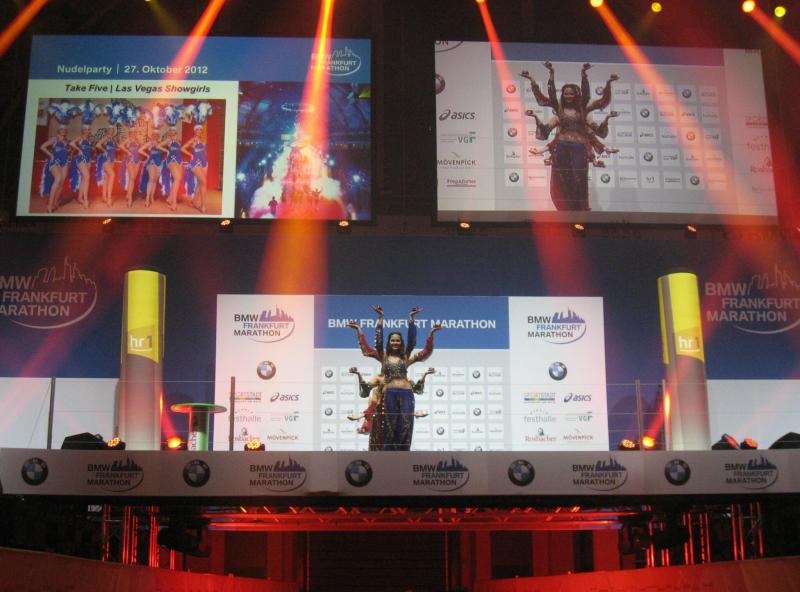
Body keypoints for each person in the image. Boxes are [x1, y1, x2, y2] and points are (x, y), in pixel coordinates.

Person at [521, 62, 618, 211]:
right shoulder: (559, 111)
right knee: (562, 180)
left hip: (579, 149)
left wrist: (584, 75)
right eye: (566, 94)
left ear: (576, 95)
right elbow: (550, 98)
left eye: (571, 93)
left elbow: (596, 126)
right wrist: (549, 75)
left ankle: (578, 209)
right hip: (562, 148)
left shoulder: (582, 111)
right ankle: (564, 210)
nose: (568, 96)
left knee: (578, 180)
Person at [348, 306, 442, 451]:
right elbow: (376, 344)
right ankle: (388, 457)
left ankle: (403, 456)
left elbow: (414, 344)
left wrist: (413, 321)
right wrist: (380, 319)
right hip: (390, 394)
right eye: (392, 340)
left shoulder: (405, 357)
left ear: (401, 342)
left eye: (398, 340)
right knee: (389, 428)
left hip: (407, 394)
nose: (395, 343)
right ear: (389, 342)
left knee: (405, 427)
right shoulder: (383, 356)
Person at [39, 125, 70, 213]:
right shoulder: (54, 139)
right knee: (58, 178)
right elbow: (42, 147)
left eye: (65, 129)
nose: (63, 130)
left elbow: (66, 152)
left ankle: (55, 202)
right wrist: (51, 155)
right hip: (55, 162)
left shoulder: (66, 141)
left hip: (64, 162)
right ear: (58, 130)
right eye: (61, 129)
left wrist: (68, 154)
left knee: (61, 183)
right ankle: (50, 204)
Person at [182, 124, 208, 213]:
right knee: (203, 182)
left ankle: (194, 201)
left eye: (200, 130)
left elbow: (204, 151)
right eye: (197, 130)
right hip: (195, 163)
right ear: (194, 131)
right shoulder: (192, 140)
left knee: (200, 183)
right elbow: (182, 148)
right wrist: (191, 154)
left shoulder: (203, 140)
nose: (199, 131)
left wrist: (205, 160)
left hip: (204, 163)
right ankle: (203, 205)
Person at [138, 130, 165, 208]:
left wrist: (160, 146)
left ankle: (151, 197)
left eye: (156, 135)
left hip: (159, 163)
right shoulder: (149, 143)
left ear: (158, 136)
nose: (155, 136)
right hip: (151, 162)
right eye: (153, 135)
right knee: (151, 178)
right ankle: (147, 199)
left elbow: (164, 150)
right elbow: (140, 150)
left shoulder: (160, 143)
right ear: (152, 136)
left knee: (155, 180)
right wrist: (147, 155)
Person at [159, 127, 184, 211]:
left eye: (173, 131)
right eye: (170, 131)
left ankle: (169, 198)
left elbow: (180, 150)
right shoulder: (168, 140)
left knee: (177, 180)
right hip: (171, 160)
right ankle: (174, 203)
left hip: (179, 161)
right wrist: (166, 151)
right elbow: (158, 146)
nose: (172, 132)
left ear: (176, 132)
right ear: (169, 133)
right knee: (176, 179)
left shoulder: (179, 141)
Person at [69, 126, 93, 209]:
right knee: (87, 177)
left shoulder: (89, 140)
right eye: (85, 129)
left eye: (88, 130)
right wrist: (79, 150)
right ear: (83, 130)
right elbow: (71, 143)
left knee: (84, 178)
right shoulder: (80, 138)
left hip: (88, 160)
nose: (87, 131)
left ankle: (80, 198)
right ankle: (86, 200)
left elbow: (89, 151)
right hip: (80, 159)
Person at [94, 126, 118, 207]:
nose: (111, 131)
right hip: (105, 159)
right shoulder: (106, 137)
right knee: (112, 175)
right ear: (107, 130)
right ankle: (109, 198)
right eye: (110, 129)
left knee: (107, 178)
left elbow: (115, 149)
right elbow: (98, 145)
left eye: (112, 130)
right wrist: (104, 151)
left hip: (112, 160)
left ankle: (104, 197)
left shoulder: (113, 139)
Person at [121, 131, 142, 208]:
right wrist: (127, 151)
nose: (133, 134)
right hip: (129, 160)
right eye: (132, 133)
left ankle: (128, 194)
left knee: (132, 179)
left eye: (134, 133)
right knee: (132, 177)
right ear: (129, 133)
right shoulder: (128, 140)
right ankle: (130, 198)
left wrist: (139, 141)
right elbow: (121, 146)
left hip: (137, 161)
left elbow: (142, 147)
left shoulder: (137, 140)